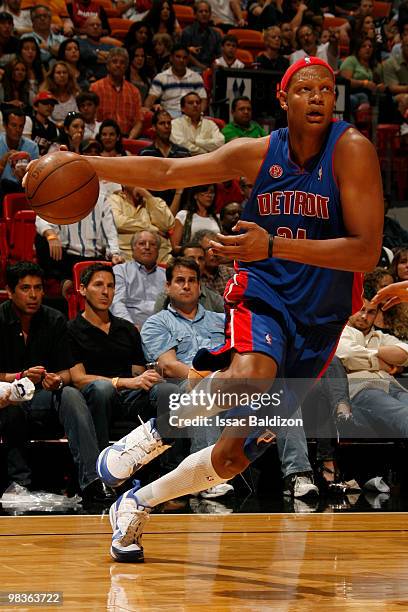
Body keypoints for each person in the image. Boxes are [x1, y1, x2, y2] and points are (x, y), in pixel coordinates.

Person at [71, 56, 383, 562]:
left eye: (327, 89)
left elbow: (366, 252)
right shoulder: (258, 153)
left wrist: (274, 244)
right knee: (248, 377)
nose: (319, 97)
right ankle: (147, 438)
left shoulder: (352, 150)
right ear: (283, 100)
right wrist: (88, 165)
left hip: (320, 319)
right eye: (305, 89)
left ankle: (137, 500)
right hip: (266, 292)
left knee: (233, 457)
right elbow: (169, 169)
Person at [0, 261, 113, 502]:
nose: (33, 295)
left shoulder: (54, 319)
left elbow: (66, 373)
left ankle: (92, 482)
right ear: (9, 292)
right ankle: (19, 485)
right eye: (25, 288)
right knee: (11, 405)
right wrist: (18, 377)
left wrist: (55, 381)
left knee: (71, 394)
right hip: (6, 396)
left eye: (38, 288)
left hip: (42, 397)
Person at [68, 263, 161, 452]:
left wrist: (149, 379)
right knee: (103, 389)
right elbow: (78, 379)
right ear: (83, 289)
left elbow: (138, 373)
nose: (105, 292)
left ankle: (169, 468)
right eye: (99, 285)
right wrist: (125, 382)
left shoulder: (126, 329)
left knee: (165, 390)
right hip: (93, 397)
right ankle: (101, 468)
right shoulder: (71, 330)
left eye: (111, 286)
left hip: (128, 397)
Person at [110, 229, 166, 327]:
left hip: (161, 329)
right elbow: (116, 303)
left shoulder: (166, 275)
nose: (147, 247)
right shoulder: (120, 271)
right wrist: (130, 327)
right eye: (142, 243)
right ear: (133, 248)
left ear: (158, 250)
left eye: (152, 244)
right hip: (129, 328)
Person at [108, 184, 175, 262]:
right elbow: (118, 222)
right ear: (124, 183)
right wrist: (152, 229)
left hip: (162, 260)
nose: (141, 183)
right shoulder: (114, 199)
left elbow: (167, 225)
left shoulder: (154, 201)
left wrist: (148, 196)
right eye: (136, 180)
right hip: (128, 260)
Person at [154, 243, 224, 312]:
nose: (197, 263)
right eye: (191, 258)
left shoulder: (214, 298)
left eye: (200, 259)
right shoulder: (164, 298)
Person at [90, 47, 143, 138]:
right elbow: (90, 118)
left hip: (126, 138)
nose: (118, 65)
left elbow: (138, 122)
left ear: (126, 67)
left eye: (122, 63)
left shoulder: (134, 91)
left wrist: (129, 141)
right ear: (107, 65)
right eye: (114, 62)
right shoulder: (95, 88)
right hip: (100, 138)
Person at [145, 44, 207, 117]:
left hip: (191, 116)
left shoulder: (196, 77)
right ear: (171, 58)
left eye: (184, 58)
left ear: (188, 60)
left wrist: (199, 113)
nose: (181, 60)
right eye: (178, 57)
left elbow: (203, 100)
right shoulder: (161, 78)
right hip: (169, 117)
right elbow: (149, 101)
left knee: (219, 123)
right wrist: (151, 109)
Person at [170, 91, 225, 156]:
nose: (195, 105)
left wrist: (196, 141)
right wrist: (205, 152)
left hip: (208, 162)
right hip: (185, 161)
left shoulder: (210, 124)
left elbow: (220, 142)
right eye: (191, 103)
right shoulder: (175, 124)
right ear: (182, 108)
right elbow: (180, 145)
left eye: (198, 103)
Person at [180, 1, 222, 72]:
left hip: (211, 68)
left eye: (206, 11)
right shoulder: (187, 32)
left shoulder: (216, 34)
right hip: (192, 68)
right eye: (201, 11)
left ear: (210, 14)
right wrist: (203, 68)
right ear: (195, 14)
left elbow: (219, 55)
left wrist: (214, 65)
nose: (204, 14)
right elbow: (184, 53)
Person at [31, 90, 59, 155]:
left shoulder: (52, 126)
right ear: (35, 107)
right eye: (45, 103)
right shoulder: (29, 121)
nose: (49, 106)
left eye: (52, 104)